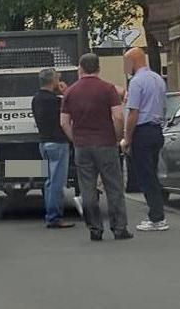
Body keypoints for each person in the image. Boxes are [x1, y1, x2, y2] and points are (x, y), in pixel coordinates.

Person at [61, 53, 132, 241]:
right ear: (99, 68)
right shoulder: (108, 89)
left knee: (87, 188)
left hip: (82, 146)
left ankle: (95, 228)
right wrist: (117, 137)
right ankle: (119, 228)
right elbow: (118, 117)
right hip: (106, 143)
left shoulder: (70, 92)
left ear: (80, 68)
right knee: (114, 187)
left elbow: (64, 122)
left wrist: (75, 138)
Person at [121, 47, 168, 232]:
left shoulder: (136, 82)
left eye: (127, 62)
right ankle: (157, 213)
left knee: (146, 177)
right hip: (156, 130)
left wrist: (127, 138)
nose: (126, 67)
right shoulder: (158, 79)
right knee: (152, 173)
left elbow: (133, 112)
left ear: (133, 61)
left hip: (142, 131)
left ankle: (157, 217)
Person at [32, 68, 75, 229]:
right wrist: (66, 91)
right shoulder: (56, 101)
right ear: (53, 81)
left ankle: (51, 214)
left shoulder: (36, 99)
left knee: (49, 181)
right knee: (57, 181)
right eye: (58, 78)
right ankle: (54, 217)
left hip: (43, 142)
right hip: (58, 143)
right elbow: (68, 112)